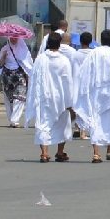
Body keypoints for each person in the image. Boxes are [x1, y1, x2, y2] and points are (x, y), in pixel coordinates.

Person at [74, 29, 110, 163]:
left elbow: (84, 73)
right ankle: (109, 151)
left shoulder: (94, 53)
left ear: (100, 39)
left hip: (96, 92)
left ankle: (96, 153)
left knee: (96, 121)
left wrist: (83, 90)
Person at [25, 32, 74, 162]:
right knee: (62, 123)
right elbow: (68, 81)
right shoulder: (64, 60)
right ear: (60, 44)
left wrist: (33, 96)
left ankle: (44, 153)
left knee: (43, 123)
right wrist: (70, 102)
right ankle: (60, 151)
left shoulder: (40, 59)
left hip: (44, 96)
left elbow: (34, 78)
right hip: (60, 98)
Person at [0, 36, 34, 128]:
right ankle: (11, 119)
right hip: (7, 77)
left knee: (19, 98)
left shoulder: (23, 50)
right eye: (12, 38)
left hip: (20, 77)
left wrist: (29, 77)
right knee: (9, 99)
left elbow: (28, 65)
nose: (14, 39)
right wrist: (4, 57)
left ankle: (15, 120)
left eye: (15, 38)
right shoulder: (4, 49)